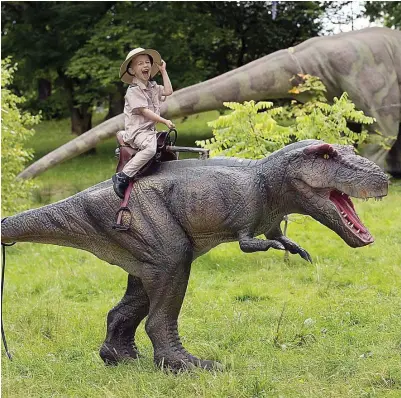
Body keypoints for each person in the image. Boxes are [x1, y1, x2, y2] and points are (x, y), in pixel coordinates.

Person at [112, 47, 175, 198]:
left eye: (147, 62)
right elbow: (145, 111)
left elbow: (168, 91)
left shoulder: (152, 87)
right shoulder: (133, 91)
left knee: (167, 145)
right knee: (150, 148)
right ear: (132, 71)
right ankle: (124, 176)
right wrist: (164, 120)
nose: (145, 65)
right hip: (137, 132)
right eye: (140, 63)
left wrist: (163, 71)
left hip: (149, 131)